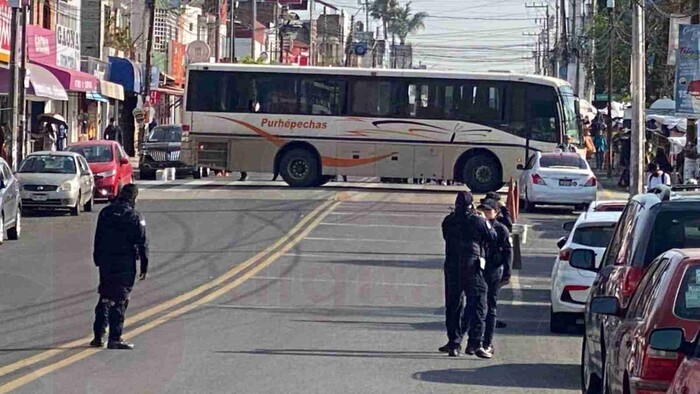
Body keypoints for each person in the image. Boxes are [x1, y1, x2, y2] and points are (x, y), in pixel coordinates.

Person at [91, 184, 149, 350]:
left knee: (105, 296)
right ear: (134, 198)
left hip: (106, 261)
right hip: (124, 263)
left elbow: (98, 237)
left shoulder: (105, 212)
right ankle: (115, 338)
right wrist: (144, 266)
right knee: (120, 299)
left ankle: (98, 335)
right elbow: (143, 243)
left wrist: (97, 258)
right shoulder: (135, 216)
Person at [439, 191, 496, 357]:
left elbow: (446, 237)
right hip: (472, 266)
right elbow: (492, 236)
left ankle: (454, 343)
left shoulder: (448, 221)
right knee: (478, 303)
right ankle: (474, 343)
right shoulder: (478, 221)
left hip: (451, 266)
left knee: (453, 305)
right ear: (471, 205)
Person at [477, 199, 512, 359]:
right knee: (476, 305)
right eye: (483, 210)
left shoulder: (501, 229)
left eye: (488, 210)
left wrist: (507, 274)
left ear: (496, 212)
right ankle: (473, 342)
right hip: (479, 270)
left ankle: (487, 343)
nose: (485, 213)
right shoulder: (479, 226)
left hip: (494, 270)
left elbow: (508, 252)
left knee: (490, 306)